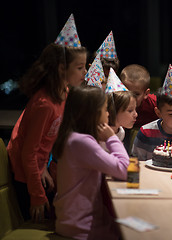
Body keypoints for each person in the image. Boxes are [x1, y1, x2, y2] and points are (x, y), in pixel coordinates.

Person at [6, 14, 87, 222]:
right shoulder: (45, 103)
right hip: (25, 175)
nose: (84, 72)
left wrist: (44, 166)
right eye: (79, 67)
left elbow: (49, 141)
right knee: (44, 220)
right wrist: (36, 196)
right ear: (62, 68)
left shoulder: (64, 93)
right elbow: (28, 152)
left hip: (37, 168)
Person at [52, 86, 129, 240]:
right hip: (81, 227)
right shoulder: (81, 142)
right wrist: (111, 137)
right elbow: (124, 168)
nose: (108, 114)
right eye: (105, 109)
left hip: (74, 221)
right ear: (93, 113)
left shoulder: (74, 137)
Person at [121, 64, 158, 153]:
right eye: (126, 92)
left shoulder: (154, 105)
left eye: (136, 94)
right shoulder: (116, 103)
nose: (130, 98)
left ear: (146, 93)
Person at [105, 68, 137, 142]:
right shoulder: (97, 135)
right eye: (130, 110)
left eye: (135, 109)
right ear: (113, 110)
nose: (136, 114)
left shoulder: (121, 132)